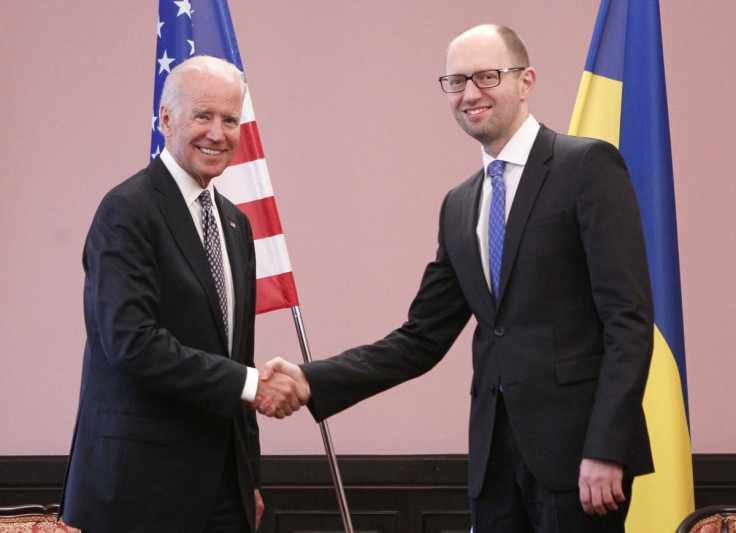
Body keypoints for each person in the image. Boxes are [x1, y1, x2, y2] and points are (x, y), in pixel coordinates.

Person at [259, 24, 654, 533]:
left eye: (487, 76)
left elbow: (629, 320)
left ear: (526, 81)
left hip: (580, 461)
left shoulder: (586, 166)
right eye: (456, 81)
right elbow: (420, 339)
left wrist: (607, 446)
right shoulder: (460, 203)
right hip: (492, 465)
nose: (470, 93)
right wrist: (311, 379)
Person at [59, 56, 308, 533]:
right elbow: (132, 343)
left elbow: (238, 352)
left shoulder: (236, 225)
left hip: (223, 492)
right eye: (203, 116)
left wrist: (248, 477)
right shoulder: (127, 211)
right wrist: (254, 384)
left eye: (230, 120)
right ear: (166, 118)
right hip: (139, 492)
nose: (218, 133)